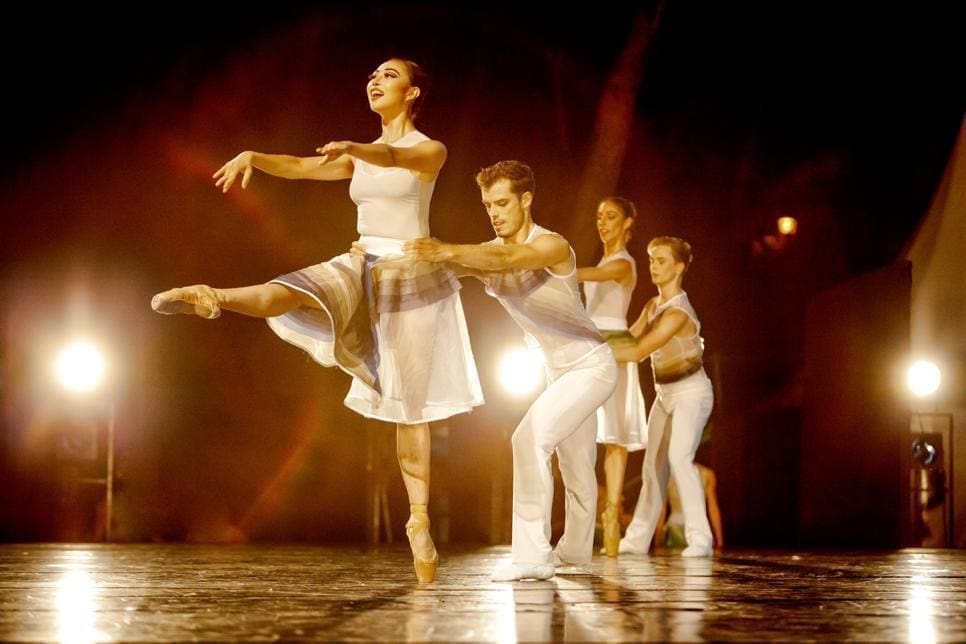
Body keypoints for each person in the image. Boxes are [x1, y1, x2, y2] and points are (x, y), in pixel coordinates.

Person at [151, 58, 483, 583]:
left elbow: (394, 155)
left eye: (389, 75)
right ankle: (211, 295)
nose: (374, 80)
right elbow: (301, 166)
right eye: (372, 75)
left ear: (413, 93)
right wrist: (255, 157)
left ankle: (418, 518)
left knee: (409, 409)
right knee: (290, 290)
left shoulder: (429, 149)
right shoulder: (359, 157)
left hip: (409, 275)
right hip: (361, 260)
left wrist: (355, 148)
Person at [402, 160, 618, 581]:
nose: (494, 213)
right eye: (487, 205)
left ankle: (532, 557)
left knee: (528, 439)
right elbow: (454, 266)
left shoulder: (552, 245)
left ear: (526, 199)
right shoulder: (487, 254)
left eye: (502, 203)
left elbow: (514, 257)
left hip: (592, 366)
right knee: (576, 467)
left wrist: (446, 250)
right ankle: (575, 554)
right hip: (558, 374)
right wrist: (387, 260)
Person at [611, 236, 715, 557]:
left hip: (692, 392)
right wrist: (592, 338)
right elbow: (628, 337)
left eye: (661, 261)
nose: (654, 267)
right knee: (652, 468)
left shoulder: (678, 313)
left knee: (680, 457)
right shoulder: (652, 306)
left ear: (679, 267)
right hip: (665, 393)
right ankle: (636, 540)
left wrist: (593, 354)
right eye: (652, 260)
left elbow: (638, 351)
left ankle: (700, 539)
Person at [575, 196, 648, 557]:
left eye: (611, 216)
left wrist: (556, 268)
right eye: (599, 216)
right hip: (592, 348)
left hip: (616, 349)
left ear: (627, 223)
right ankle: (583, 515)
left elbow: (594, 275)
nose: (603, 222)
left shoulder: (623, 263)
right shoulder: (605, 260)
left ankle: (612, 517)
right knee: (583, 433)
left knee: (614, 438)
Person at [655, 461, 724, 551]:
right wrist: (657, 540)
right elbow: (661, 510)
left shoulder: (706, 474)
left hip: (694, 529)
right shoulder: (667, 475)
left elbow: (713, 508)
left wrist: (719, 540)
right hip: (680, 530)